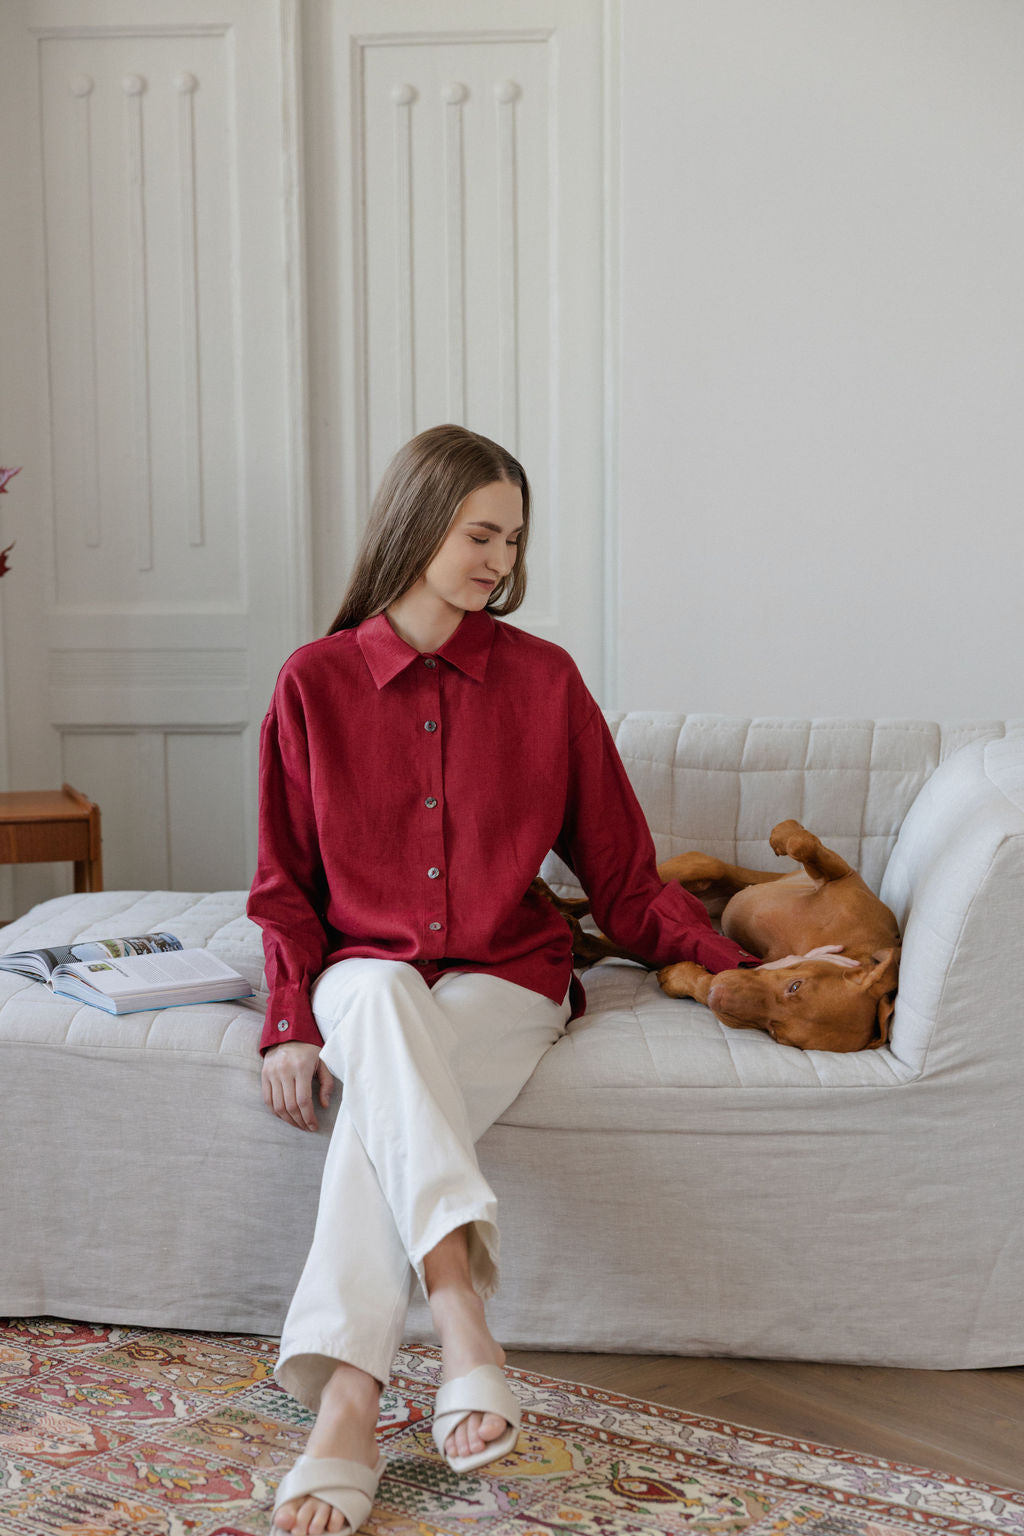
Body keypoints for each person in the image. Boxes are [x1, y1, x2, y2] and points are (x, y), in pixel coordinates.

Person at [247, 424, 761, 1536]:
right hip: (357, 974)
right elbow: (284, 887)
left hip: (506, 974)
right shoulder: (314, 682)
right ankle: (459, 1320)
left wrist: (743, 971)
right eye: (479, 533)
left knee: (389, 1085)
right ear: (417, 524)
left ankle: (346, 1401)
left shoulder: (544, 680)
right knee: (379, 996)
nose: (498, 561)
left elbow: (622, 877)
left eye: (512, 539)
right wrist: (290, 1019)